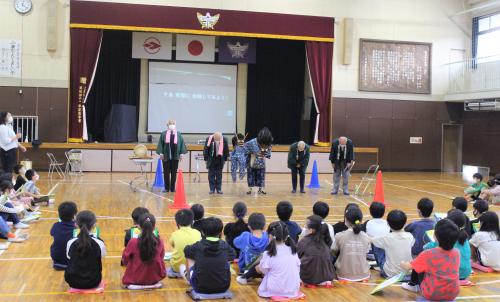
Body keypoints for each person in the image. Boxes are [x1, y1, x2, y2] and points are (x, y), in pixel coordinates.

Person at [401, 219, 460, 301]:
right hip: (453, 293)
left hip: (432, 294)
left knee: (418, 267)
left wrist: (402, 263)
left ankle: (414, 286)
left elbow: (408, 267)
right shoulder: (457, 253)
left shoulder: (428, 254)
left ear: (435, 235)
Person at [184, 217, 236, 294]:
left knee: (189, 257)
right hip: (223, 287)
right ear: (220, 233)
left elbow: (186, 250)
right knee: (226, 258)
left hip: (199, 287)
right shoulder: (225, 246)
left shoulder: (198, 246)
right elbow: (233, 255)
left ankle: (189, 279)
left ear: (202, 232)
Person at [256, 221, 303, 299]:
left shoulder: (268, 253)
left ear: (270, 236)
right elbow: (297, 269)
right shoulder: (293, 251)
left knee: (266, 274)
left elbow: (263, 270)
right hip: (293, 288)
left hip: (274, 289)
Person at [423, 209, 472, 282]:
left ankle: (414, 284)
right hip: (466, 272)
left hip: (453, 273)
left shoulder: (447, 237)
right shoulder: (465, 237)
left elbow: (429, 249)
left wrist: (428, 244)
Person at [122, 213, 166, 287]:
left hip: (135, 280)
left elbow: (125, 260)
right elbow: (161, 258)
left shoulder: (133, 242)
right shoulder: (159, 242)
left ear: (138, 226)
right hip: (154, 279)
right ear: (154, 227)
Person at [65, 210, 106, 290]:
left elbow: (68, 257)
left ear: (76, 224)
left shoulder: (71, 242)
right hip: (93, 281)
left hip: (73, 282)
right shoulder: (99, 243)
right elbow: (102, 256)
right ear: (94, 225)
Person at [371, 210, 414, 278]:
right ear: (405, 224)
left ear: (388, 224)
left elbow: (371, 240)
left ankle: (380, 266)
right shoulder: (410, 236)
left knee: (375, 243)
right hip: (408, 272)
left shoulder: (386, 237)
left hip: (390, 273)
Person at [332, 206, 371, 281]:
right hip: (364, 275)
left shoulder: (339, 235)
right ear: (360, 220)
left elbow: (333, 251)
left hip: (342, 276)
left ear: (346, 220)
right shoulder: (366, 236)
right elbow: (366, 252)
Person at [297, 215, 334, 287]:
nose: (304, 227)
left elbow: (296, 256)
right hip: (325, 278)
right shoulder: (326, 240)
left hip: (308, 278)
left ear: (312, 230)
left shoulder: (304, 241)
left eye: (306, 226)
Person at [167, 209, 202, 278]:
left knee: (169, 269)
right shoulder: (197, 232)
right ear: (192, 221)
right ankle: (188, 274)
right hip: (194, 267)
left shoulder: (175, 234)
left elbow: (173, 245)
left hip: (177, 267)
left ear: (177, 222)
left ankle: (179, 273)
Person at [156, 120, 187, 193]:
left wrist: (181, 153)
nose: (172, 125)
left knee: (174, 173)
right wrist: (160, 153)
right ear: (168, 125)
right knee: (166, 173)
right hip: (166, 157)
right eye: (170, 124)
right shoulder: (163, 134)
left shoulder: (178, 134)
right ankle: (166, 188)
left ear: (175, 125)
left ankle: (172, 188)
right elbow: (160, 144)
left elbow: (182, 144)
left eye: (173, 124)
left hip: (175, 157)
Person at [243, 127, 273, 195]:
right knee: (250, 175)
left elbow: (268, 153)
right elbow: (244, 150)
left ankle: (261, 188)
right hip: (251, 161)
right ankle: (250, 188)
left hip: (261, 163)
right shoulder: (251, 143)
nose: (265, 146)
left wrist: (265, 154)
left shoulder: (269, 143)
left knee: (261, 176)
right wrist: (252, 153)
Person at [50, 201, 78, 270]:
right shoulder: (77, 229)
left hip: (57, 260)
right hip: (72, 261)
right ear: (74, 215)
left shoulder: (55, 225)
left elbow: (52, 233)